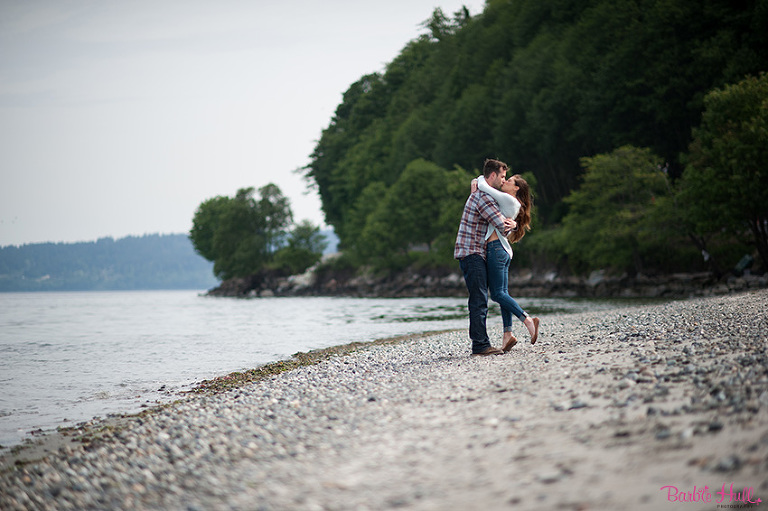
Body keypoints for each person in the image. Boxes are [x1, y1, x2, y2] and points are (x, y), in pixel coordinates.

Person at [454, 159, 517, 356]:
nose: (503, 180)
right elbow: (502, 226)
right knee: (479, 299)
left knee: (479, 297)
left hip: (472, 252)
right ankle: (480, 346)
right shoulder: (484, 199)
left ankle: (481, 343)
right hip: (472, 252)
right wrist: (513, 224)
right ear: (492, 176)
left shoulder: (482, 193)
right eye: (502, 176)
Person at [473, 173, 540, 349]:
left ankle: (527, 320)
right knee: (503, 294)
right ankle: (507, 334)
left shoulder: (508, 200)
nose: (504, 181)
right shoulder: (508, 202)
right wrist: (515, 225)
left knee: (497, 294)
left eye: (509, 180)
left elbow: (485, 186)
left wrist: (480, 178)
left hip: (496, 249)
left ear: (516, 188)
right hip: (502, 250)